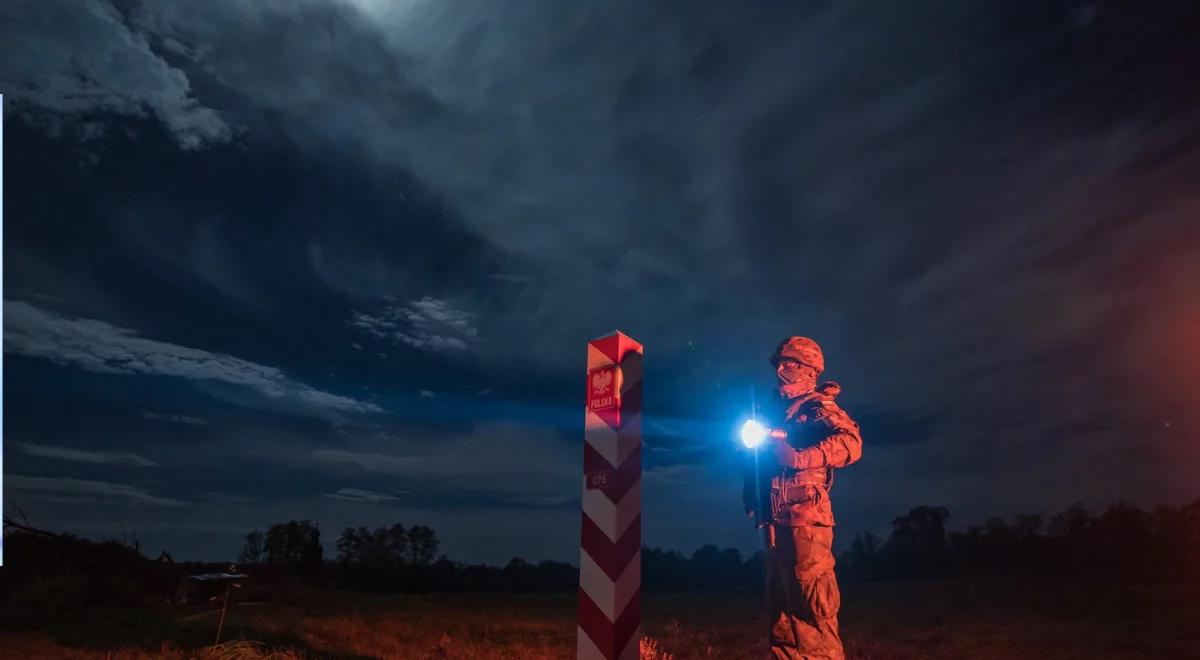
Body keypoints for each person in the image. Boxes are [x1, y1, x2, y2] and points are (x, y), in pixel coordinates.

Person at [744, 336, 863, 660]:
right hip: (774, 521)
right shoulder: (773, 412)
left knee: (813, 610)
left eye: (790, 363)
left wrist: (800, 457)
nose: (781, 369)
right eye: (779, 364)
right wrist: (752, 494)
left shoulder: (817, 406)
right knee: (780, 615)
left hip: (806, 521)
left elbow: (851, 443)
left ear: (810, 369)